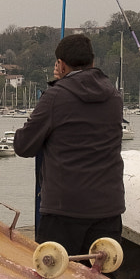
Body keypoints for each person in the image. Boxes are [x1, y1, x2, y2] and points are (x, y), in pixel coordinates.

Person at [13, 33, 124, 263]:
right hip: (107, 208)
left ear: (60, 65)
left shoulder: (55, 97)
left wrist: (57, 87)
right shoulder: (114, 97)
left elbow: (23, 145)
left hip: (64, 210)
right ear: (92, 62)